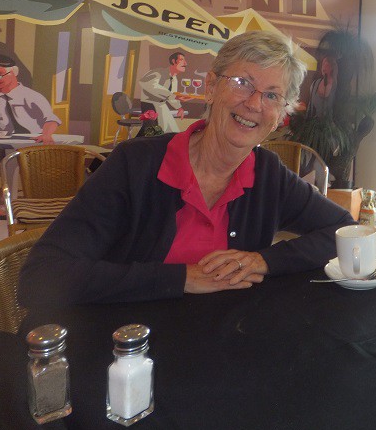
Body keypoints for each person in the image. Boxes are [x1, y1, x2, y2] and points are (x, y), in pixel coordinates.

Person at [18, 31, 356, 307]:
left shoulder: (268, 173)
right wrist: (181, 278)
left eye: (272, 96)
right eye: (242, 82)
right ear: (211, 87)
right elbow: (41, 277)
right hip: (129, 345)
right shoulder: (134, 165)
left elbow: (345, 231)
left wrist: (263, 260)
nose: (254, 104)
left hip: (226, 343)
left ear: (280, 115)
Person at [0, 54, 61, 143]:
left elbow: (51, 120)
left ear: (14, 72)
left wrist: (46, 135)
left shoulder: (32, 96)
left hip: (32, 142)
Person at [137, 51, 190, 134]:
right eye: (182, 60)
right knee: (152, 132)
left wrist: (179, 108)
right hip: (150, 105)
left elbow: (172, 96)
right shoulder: (157, 73)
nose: (185, 63)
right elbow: (148, 84)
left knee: (171, 130)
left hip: (161, 106)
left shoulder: (174, 79)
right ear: (173, 61)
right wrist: (173, 96)